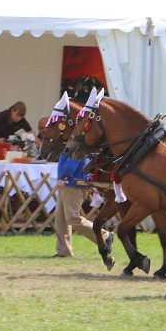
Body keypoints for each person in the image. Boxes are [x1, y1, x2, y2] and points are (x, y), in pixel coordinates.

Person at [49, 94, 112, 257]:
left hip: (72, 182)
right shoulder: (74, 136)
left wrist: (64, 177)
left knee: (72, 218)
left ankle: (104, 236)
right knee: (61, 219)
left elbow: (75, 159)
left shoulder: (78, 139)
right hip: (68, 181)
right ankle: (63, 250)